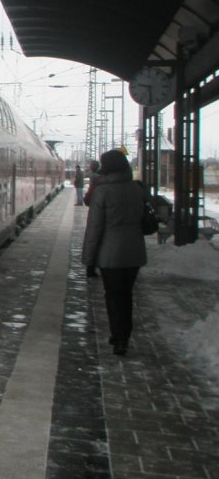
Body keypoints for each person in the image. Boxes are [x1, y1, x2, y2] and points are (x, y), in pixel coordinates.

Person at [81, 149, 148, 355]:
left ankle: (118, 337)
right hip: (135, 251)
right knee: (126, 295)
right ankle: (124, 335)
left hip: (110, 253)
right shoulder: (137, 188)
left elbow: (94, 228)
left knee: (113, 295)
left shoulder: (102, 191)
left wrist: (88, 259)